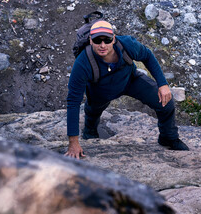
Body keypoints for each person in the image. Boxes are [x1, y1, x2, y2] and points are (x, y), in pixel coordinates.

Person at [65, 20, 189, 159]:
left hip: (130, 81)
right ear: (90, 40)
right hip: (100, 91)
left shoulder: (127, 44)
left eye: (107, 40)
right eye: (97, 40)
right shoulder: (82, 63)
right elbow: (73, 101)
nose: (102, 45)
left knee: (165, 102)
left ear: (114, 38)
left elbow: (147, 55)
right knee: (92, 113)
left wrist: (162, 84)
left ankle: (168, 137)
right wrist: (73, 142)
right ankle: (90, 133)